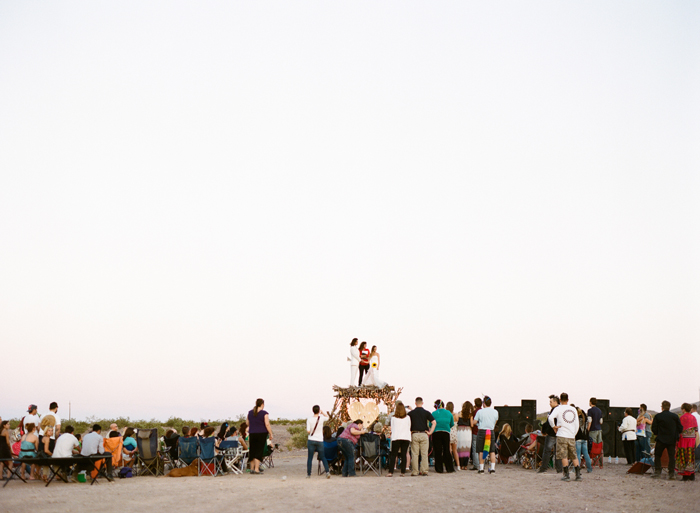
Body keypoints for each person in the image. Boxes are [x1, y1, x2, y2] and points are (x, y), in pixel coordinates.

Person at [548, 392, 581, 482]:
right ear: (568, 399)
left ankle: (566, 475)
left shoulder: (558, 409)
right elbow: (577, 423)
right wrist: (573, 433)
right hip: (571, 435)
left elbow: (550, 418)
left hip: (562, 434)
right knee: (574, 455)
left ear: (560, 400)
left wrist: (553, 426)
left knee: (564, 455)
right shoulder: (573, 409)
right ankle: (578, 474)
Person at [651, 400, 683, 479]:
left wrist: (657, 433)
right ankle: (671, 473)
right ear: (669, 407)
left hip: (661, 439)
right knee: (671, 456)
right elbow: (680, 428)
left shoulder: (658, 416)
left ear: (662, 407)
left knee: (657, 455)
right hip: (671, 440)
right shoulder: (675, 416)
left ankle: (657, 472)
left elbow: (654, 428)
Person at [407, 397, 436, 476]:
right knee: (424, 453)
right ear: (422, 403)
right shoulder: (426, 412)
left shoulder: (411, 413)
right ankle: (424, 470)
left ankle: (415, 471)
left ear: (415, 403)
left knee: (415, 454)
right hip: (424, 434)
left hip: (414, 434)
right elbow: (434, 422)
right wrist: (430, 432)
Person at [473, 396, 499, 474]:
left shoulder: (480, 412)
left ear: (483, 403)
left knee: (481, 450)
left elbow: (474, 422)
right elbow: (496, 421)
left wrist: (479, 423)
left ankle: (481, 469)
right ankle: (492, 468)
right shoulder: (495, 412)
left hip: (481, 431)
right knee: (492, 450)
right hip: (490, 431)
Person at [247, 398, 274, 475]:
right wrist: (270, 433)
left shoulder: (250, 412)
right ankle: (256, 469)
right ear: (262, 404)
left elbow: (247, 422)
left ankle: (252, 468)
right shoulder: (264, 413)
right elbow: (267, 424)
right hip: (261, 433)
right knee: (259, 450)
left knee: (252, 450)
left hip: (252, 433)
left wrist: (253, 425)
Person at [538, 395, 563, 474]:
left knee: (547, 451)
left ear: (556, 402)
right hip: (559, 433)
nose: (550, 403)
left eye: (551, 402)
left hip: (552, 433)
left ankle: (543, 468)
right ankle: (559, 469)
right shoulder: (561, 410)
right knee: (558, 452)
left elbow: (550, 421)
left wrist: (547, 429)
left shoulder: (554, 410)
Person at [306, 405, 330, 479]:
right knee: (323, 456)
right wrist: (322, 413)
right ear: (319, 410)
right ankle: (327, 472)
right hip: (319, 440)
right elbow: (328, 417)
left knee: (310, 458)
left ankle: (309, 474)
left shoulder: (309, 419)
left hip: (311, 439)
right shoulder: (321, 418)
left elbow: (308, 431)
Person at [387, 402, 411, 477]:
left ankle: (391, 471)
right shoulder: (407, 418)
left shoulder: (393, 418)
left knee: (393, 454)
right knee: (403, 454)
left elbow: (392, 427)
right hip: (405, 437)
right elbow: (409, 426)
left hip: (396, 437)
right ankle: (403, 472)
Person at [431, 400, 455, 473]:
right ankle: (449, 468)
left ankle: (439, 468)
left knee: (438, 450)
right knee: (446, 450)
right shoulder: (448, 413)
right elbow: (452, 423)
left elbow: (430, 424)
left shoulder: (433, 413)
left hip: (436, 433)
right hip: (446, 432)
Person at [675, 403, 698, 481]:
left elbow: (679, 429)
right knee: (690, 455)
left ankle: (685, 475)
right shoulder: (693, 417)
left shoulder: (682, 418)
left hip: (684, 439)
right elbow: (696, 430)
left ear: (683, 409)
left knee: (683, 455)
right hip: (692, 439)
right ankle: (691, 474)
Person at [574, 406, 592, 473]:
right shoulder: (585, 419)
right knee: (586, 454)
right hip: (585, 438)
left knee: (577, 455)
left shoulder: (576, 419)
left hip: (578, 438)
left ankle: (576, 469)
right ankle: (589, 469)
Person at [456, 401, 473, 469]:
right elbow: (471, 424)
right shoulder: (470, 415)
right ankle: (465, 465)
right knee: (467, 448)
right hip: (467, 431)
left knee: (460, 448)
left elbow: (457, 422)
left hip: (460, 431)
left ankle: (461, 464)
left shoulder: (459, 414)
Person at [446, 402, 460, 470]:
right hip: (455, 433)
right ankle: (458, 465)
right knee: (455, 450)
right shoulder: (456, 415)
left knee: (449, 450)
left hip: (449, 433)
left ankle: (450, 464)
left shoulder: (447, 415)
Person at [469, 398, 482, 470]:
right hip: (482, 431)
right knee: (482, 449)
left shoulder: (474, 412)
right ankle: (482, 464)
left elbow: (472, 423)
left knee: (475, 449)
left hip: (475, 432)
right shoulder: (483, 411)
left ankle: (476, 465)